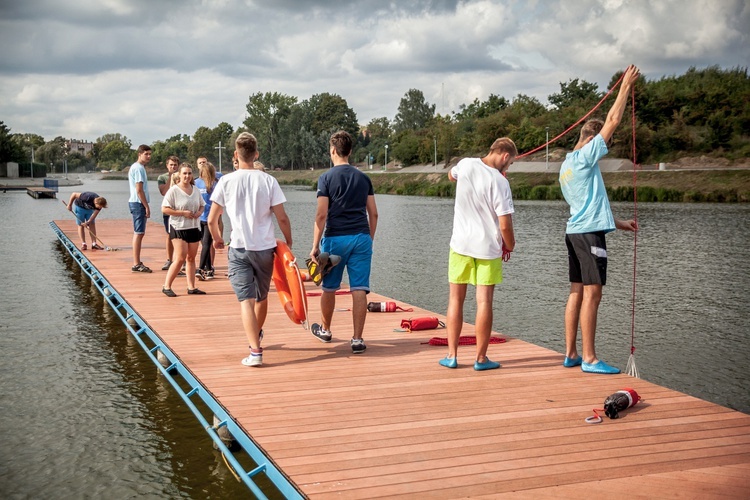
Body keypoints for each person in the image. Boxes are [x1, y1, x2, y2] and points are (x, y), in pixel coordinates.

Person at [559, 64, 640, 375]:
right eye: (600, 144)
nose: (603, 149)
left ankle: (571, 353)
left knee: (577, 291)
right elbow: (614, 119)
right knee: (594, 293)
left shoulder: (566, 165)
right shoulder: (584, 157)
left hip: (576, 232)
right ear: (591, 139)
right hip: (589, 236)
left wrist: (620, 223)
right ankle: (590, 359)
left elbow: (588, 206)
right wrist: (625, 87)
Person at [208, 132, 292, 367]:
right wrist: (288, 242)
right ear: (256, 154)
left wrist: (217, 239)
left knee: (246, 300)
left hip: (240, 248)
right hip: (265, 248)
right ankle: (257, 333)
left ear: (236, 154)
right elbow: (282, 218)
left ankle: (255, 352)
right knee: (262, 297)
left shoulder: (226, 181)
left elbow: (212, 219)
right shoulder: (268, 180)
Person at [439, 138, 516, 371]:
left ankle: (452, 356)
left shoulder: (466, 164)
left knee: (455, 299)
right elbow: (505, 225)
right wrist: (510, 246)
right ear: (504, 156)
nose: (509, 167)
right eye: (510, 163)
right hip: (487, 249)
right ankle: (481, 359)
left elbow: (451, 176)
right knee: (484, 301)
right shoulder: (501, 183)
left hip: (460, 245)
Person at [309, 130, 378, 354]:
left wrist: (315, 245)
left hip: (335, 239)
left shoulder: (326, 178)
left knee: (329, 288)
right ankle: (357, 339)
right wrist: (369, 239)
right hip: (361, 237)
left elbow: (321, 215)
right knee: (359, 288)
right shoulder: (364, 178)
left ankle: (326, 330)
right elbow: (373, 214)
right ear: (350, 151)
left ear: (332, 150)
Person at [161, 163, 206, 297]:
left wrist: (199, 212)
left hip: (193, 227)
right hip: (179, 227)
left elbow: (202, 205)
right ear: (179, 175)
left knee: (191, 258)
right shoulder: (174, 190)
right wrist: (182, 213)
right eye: (184, 173)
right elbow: (165, 208)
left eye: (189, 173)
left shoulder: (195, 189)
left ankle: (191, 287)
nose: (187, 176)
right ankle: (166, 286)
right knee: (180, 258)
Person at [195, 160, 222, 279]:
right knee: (205, 243)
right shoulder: (196, 182)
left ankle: (201, 269)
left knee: (206, 243)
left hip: (209, 218)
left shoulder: (216, 183)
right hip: (198, 217)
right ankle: (209, 269)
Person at [128, 144, 152, 273]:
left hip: (137, 203)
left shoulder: (139, 167)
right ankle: (136, 263)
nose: (148, 156)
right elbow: (139, 190)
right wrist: (146, 206)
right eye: (146, 154)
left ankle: (137, 262)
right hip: (138, 203)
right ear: (139, 154)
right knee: (139, 233)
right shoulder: (138, 168)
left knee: (140, 233)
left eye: (149, 154)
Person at [157, 156, 180, 270]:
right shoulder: (162, 177)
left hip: (180, 210)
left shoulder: (182, 176)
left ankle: (181, 260)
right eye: (171, 165)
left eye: (175, 165)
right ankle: (169, 259)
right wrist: (171, 177)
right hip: (169, 210)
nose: (173, 167)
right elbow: (163, 192)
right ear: (167, 165)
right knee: (169, 234)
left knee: (181, 235)